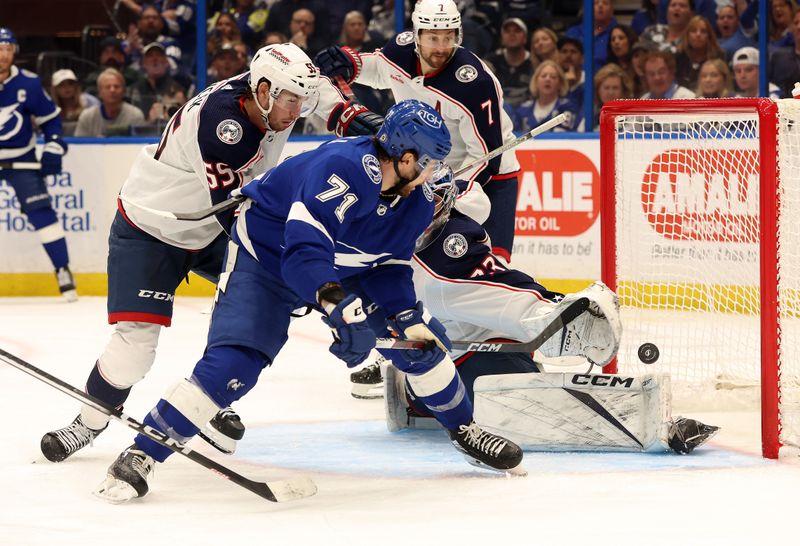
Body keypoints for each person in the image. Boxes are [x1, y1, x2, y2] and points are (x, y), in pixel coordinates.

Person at [93, 100, 524, 503]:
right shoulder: (346, 169)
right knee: (234, 365)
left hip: (340, 267)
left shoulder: (416, 200)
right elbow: (303, 252)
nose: (433, 174)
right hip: (268, 260)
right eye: (429, 163)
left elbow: (389, 267)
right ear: (406, 157)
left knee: (422, 345)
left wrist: (407, 317)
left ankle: (463, 428)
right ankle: (142, 453)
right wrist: (340, 307)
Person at [39, 42, 377, 464]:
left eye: (300, 101)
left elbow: (323, 96)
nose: (296, 112)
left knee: (255, 308)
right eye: (291, 100)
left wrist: (366, 123)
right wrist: (294, 269)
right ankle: (87, 423)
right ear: (265, 89)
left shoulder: (275, 92)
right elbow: (236, 216)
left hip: (211, 222)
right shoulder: (224, 124)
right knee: (134, 350)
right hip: (154, 227)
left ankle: (210, 401)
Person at [350, 183, 719, 456]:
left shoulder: (426, 231)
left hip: (441, 366)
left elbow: (472, 198)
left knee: (515, 366)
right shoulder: (439, 261)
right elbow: (498, 290)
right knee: (545, 403)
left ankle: (420, 398)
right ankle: (655, 428)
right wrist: (556, 313)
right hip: (459, 369)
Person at [314, 0, 520, 263]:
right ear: (417, 35)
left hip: (487, 176)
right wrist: (353, 66)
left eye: (449, 37)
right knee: (411, 257)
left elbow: (487, 156)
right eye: (433, 38)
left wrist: (450, 187)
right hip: (425, 172)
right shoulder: (400, 49)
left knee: (488, 262)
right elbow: (382, 69)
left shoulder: (475, 84)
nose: (442, 47)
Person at [0, 28, 76, 301]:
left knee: (42, 214)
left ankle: (63, 269)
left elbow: (50, 121)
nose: (4, 54)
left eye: (8, 49)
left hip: (22, 158)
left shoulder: (29, 84)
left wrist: (54, 145)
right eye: (0, 48)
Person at [508, 60, 582, 133]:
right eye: (543, 76)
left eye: (553, 77)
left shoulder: (567, 107)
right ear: (536, 81)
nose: (548, 79)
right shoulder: (522, 110)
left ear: (560, 83)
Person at [74, 69, 146, 137]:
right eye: (107, 87)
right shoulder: (87, 116)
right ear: (100, 92)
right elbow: (78, 146)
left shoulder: (135, 115)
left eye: (116, 86)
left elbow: (141, 145)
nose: (112, 90)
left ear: (124, 91)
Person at [484, 17, 533, 109]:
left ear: (525, 38)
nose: (512, 34)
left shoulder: (534, 62)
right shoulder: (491, 61)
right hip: (497, 109)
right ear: (502, 38)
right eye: (507, 31)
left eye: (517, 31)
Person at [674, 15, 724, 90]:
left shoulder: (718, 58)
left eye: (703, 31)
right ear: (687, 35)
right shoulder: (678, 57)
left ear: (709, 36)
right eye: (694, 31)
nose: (698, 34)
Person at [50, 69, 99, 135]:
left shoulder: (90, 102)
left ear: (76, 86)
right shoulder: (49, 107)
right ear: (55, 89)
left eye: (70, 84)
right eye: (61, 85)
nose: (67, 88)